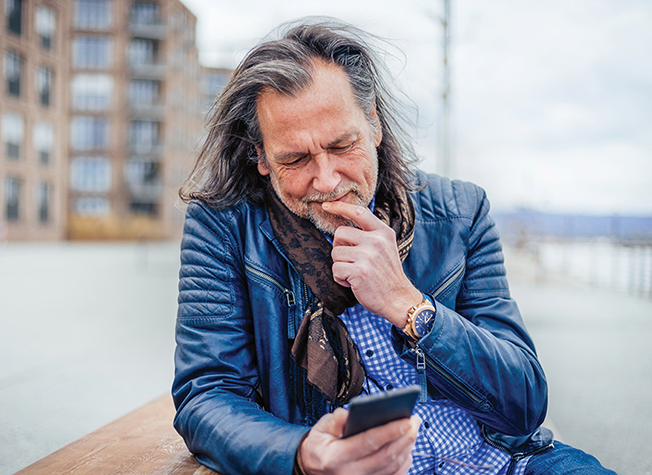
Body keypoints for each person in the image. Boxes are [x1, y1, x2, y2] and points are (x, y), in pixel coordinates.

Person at [172, 18, 615, 475]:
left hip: (506, 462)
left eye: (344, 145)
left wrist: (410, 305)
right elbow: (206, 396)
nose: (326, 180)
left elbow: (523, 402)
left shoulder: (462, 211)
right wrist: (302, 453)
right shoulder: (222, 226)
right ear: (261, 157)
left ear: (375, 126)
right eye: (295, 158)